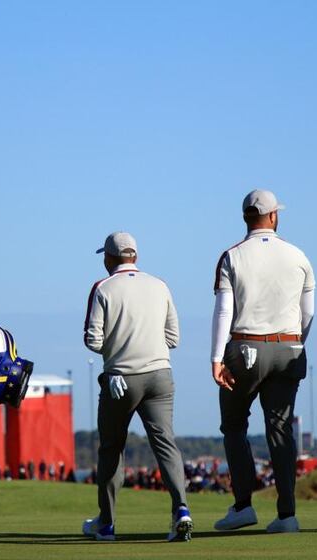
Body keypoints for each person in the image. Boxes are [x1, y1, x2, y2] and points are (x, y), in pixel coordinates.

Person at [210, 190, 315, 534]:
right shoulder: (298, 255)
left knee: (235, 426)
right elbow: (308, 312)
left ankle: (243, 505)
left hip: (245, 348)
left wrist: (215, 357)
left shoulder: (232, 257)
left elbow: (225, 310)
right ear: (273, 216)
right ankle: (287, 514)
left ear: (245, 217)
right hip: (289, 346)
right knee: (280, 429)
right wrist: (296, 343)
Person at [80, 232, 193, 543]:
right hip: (160, 374)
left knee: (111, 449)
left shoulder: (102, 288)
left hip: (120, 378)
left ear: (109, 258)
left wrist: (118, 353)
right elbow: (174, 338)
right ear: (135, 256)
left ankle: (107, 523)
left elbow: (93, 340)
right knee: (165, 444)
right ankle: (181, 508)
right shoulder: (160, 285)